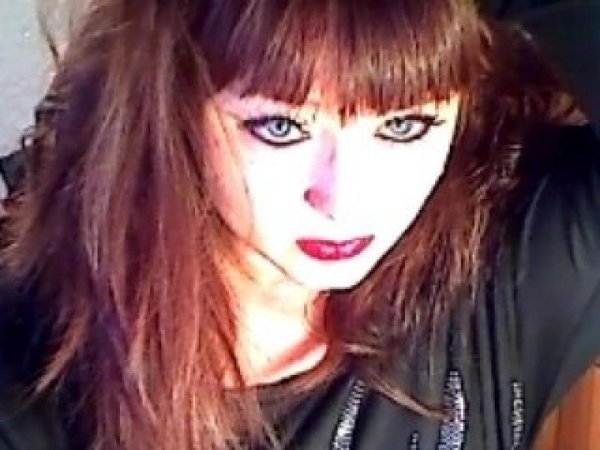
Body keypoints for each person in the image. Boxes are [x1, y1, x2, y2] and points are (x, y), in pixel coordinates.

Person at [0, 0, 598, 449]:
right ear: (170, 109)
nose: (344, 201)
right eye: (281, 128)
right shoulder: (33, 380)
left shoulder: (508, 266)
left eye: (403, 127)